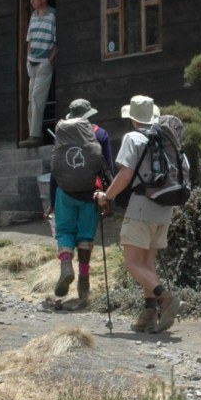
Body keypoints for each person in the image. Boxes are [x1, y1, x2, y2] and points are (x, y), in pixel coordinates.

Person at [93, 95, 180, 333]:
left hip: (141, 207)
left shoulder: (133, 138)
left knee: (132, 264)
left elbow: (125, 175)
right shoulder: (166, 137)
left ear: (133, 119)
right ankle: (149, 315)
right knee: (147, 263)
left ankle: (166, 299)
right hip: (164, 208)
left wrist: (106, 196)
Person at [48, 99, 114, 309]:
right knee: (85, 235)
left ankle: (66, 264)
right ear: (89, 114)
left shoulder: (63, 132)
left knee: (65, 231)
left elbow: (56, 167)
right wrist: (108, 197)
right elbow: (107, 167)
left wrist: (52, 200)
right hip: (91, 193)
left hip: (64, 191)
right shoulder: (100, 134)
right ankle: (83, 279)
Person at [20, 0, 57, 147]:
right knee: (30, 100)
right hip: (32, 62)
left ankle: (35, 136)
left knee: (37, 98)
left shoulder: (53, 15)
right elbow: (29, 39)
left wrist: (49, 60)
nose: (32, 1)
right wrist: (28, 58)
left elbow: (57, 41)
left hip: (44, 62)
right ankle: (32, 134)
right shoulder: (33, 16)